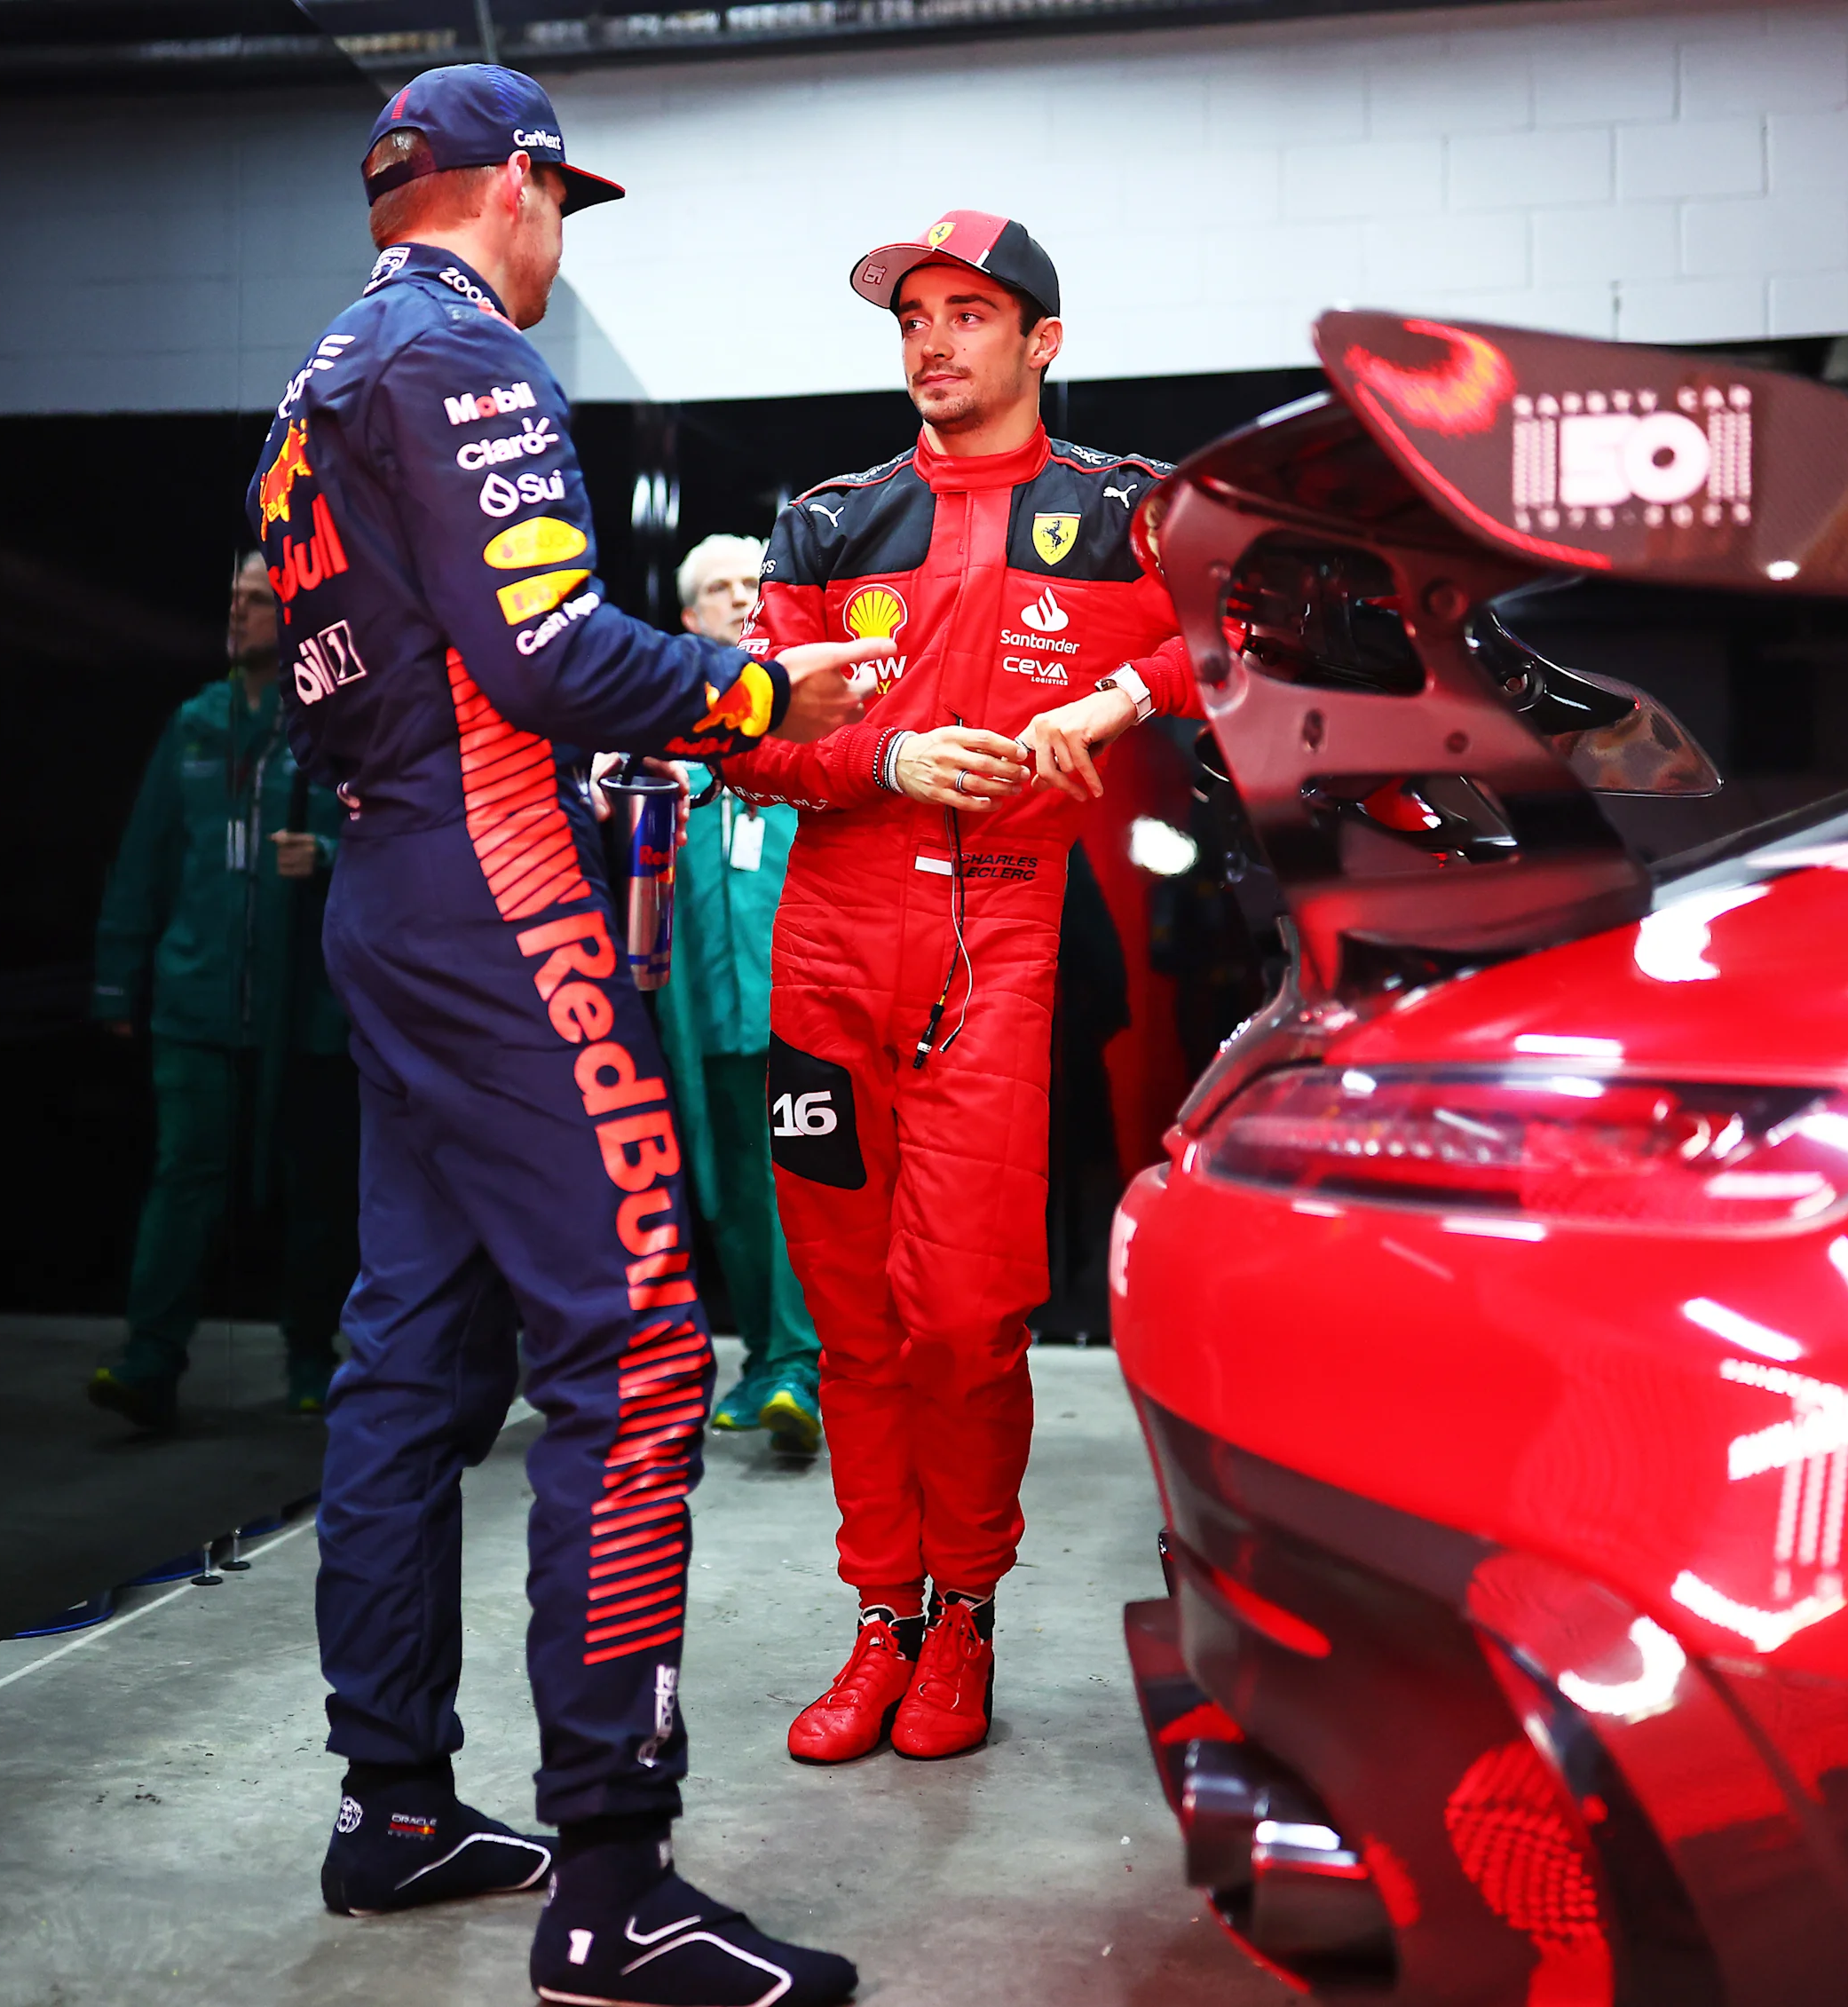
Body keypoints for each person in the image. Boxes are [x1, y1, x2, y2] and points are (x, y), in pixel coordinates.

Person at [257, 66, 887, 2007]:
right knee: (636, 1352)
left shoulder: (319, 379)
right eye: (561, 203)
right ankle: (613, 1878)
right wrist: (766, 678)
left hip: (386, 884)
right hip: (499, 877)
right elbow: (543, 657)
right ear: (514, 185)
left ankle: (394, 1805)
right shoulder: (467, 367)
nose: (558, 243)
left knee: (407, 1351)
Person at [718, 211, 1203, 1765]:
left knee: (963, 1315)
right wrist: (884, 756)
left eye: (967, 315)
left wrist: (1123, 695)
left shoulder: (1121, 510)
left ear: (1039, 342)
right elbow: (749, 738)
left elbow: (1256, 626)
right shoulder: (828, 521)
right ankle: (879, 1616)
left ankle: (966, 1623)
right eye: (912, 318)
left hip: (1002, 933)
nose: (931, 343)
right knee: (849, 1313)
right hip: (830, 936)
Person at [86, 553, 355, 1426]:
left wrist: (327, 857)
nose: (237, 611)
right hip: (198, 998)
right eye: (234, 598)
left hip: (306, 1006)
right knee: (184, 1177)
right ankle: (149, 1360)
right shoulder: (195, 723)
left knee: (315, 1190)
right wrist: (115, 979)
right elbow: (145, 859)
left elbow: (396, 840)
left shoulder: (334, 723)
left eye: (256, 599)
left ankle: (311, 1354)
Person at [653, 534, 821, 1453]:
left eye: (748, 584)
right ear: (689, 617)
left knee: (794, 1186)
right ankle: (764, 1360)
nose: (734, 599)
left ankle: (801, 1365)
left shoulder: (810, 707)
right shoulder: (668, 729)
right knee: (728, 1193)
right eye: (714, 589)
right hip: (698, 1006)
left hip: (793, 994)